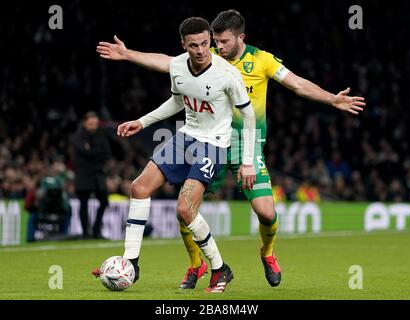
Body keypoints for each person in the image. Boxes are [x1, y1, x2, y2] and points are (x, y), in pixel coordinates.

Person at [96, 10, 366, 289]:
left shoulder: (261, 61)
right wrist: (129, 57)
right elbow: (171, 67)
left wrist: (332, 99)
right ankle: (194, 265)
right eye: (214, 41)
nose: (216, 47)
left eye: (222, 42)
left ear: (240, 38)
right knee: (184, 209)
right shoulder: (205, 57)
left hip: (241, 144)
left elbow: (297, 85)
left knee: (266, 213)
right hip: (202, 138)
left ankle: (267, 252)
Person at [93, 17, 257, 293]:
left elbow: (249, 115)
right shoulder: (179, 65)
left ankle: (220, 269)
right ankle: (131, 263)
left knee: (184, 209)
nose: (202, 50)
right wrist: (143, 122)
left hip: (213, 144)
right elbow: (178, 100)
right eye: (194, 45)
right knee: (139, 187)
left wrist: (248, 161)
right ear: (184, 45)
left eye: (206, 43)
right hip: (185, 137)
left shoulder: (227, 74)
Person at [72, 111, 112, 239]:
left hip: (98, 174)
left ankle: (96, 231)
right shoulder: (78, 137)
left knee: (104, 202)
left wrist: (92, 150)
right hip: (83, 174)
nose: (93, 125)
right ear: (85, 123)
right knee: (84, 203)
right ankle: (85, 233)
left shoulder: (101, 135)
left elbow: (106, 153)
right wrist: (95, 151)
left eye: (95, 122)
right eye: (91, 123)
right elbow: (85, 152)